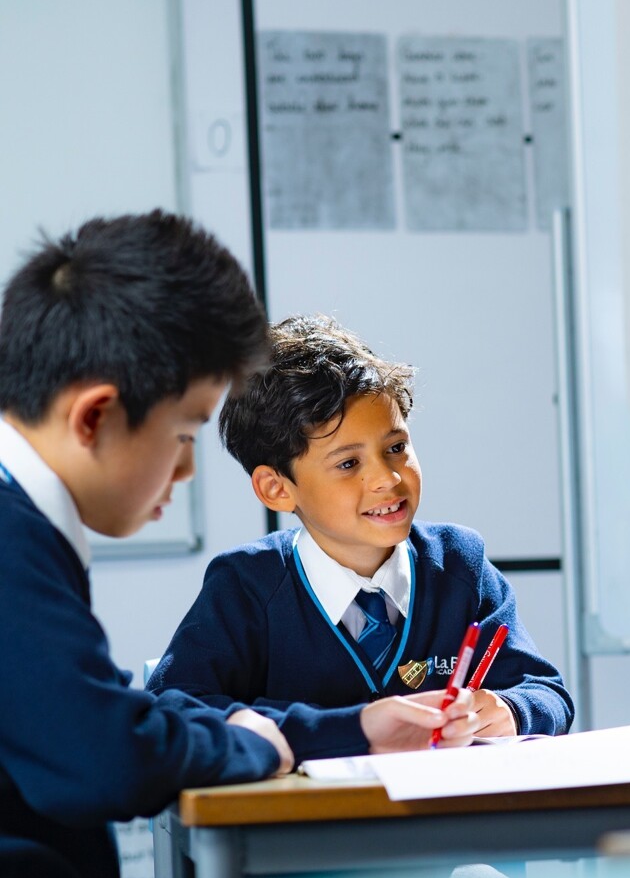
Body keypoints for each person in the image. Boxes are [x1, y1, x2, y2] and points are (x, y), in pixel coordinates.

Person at [0, 212, 440, 878]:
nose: (185, 470)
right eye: (182, 434)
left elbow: (92, 720)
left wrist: (308, 731)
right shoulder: (13, 539)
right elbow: (104, 757)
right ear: (95, 418)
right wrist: (255, 746)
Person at [151, 316, 573, 756]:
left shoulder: (458, 564)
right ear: (277, 489)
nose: (388, 479)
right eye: (348, 464)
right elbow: (173, 710)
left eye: (396, 448)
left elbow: (546, 691)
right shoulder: (248, 585)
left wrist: (510, 709)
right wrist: (340, 729)